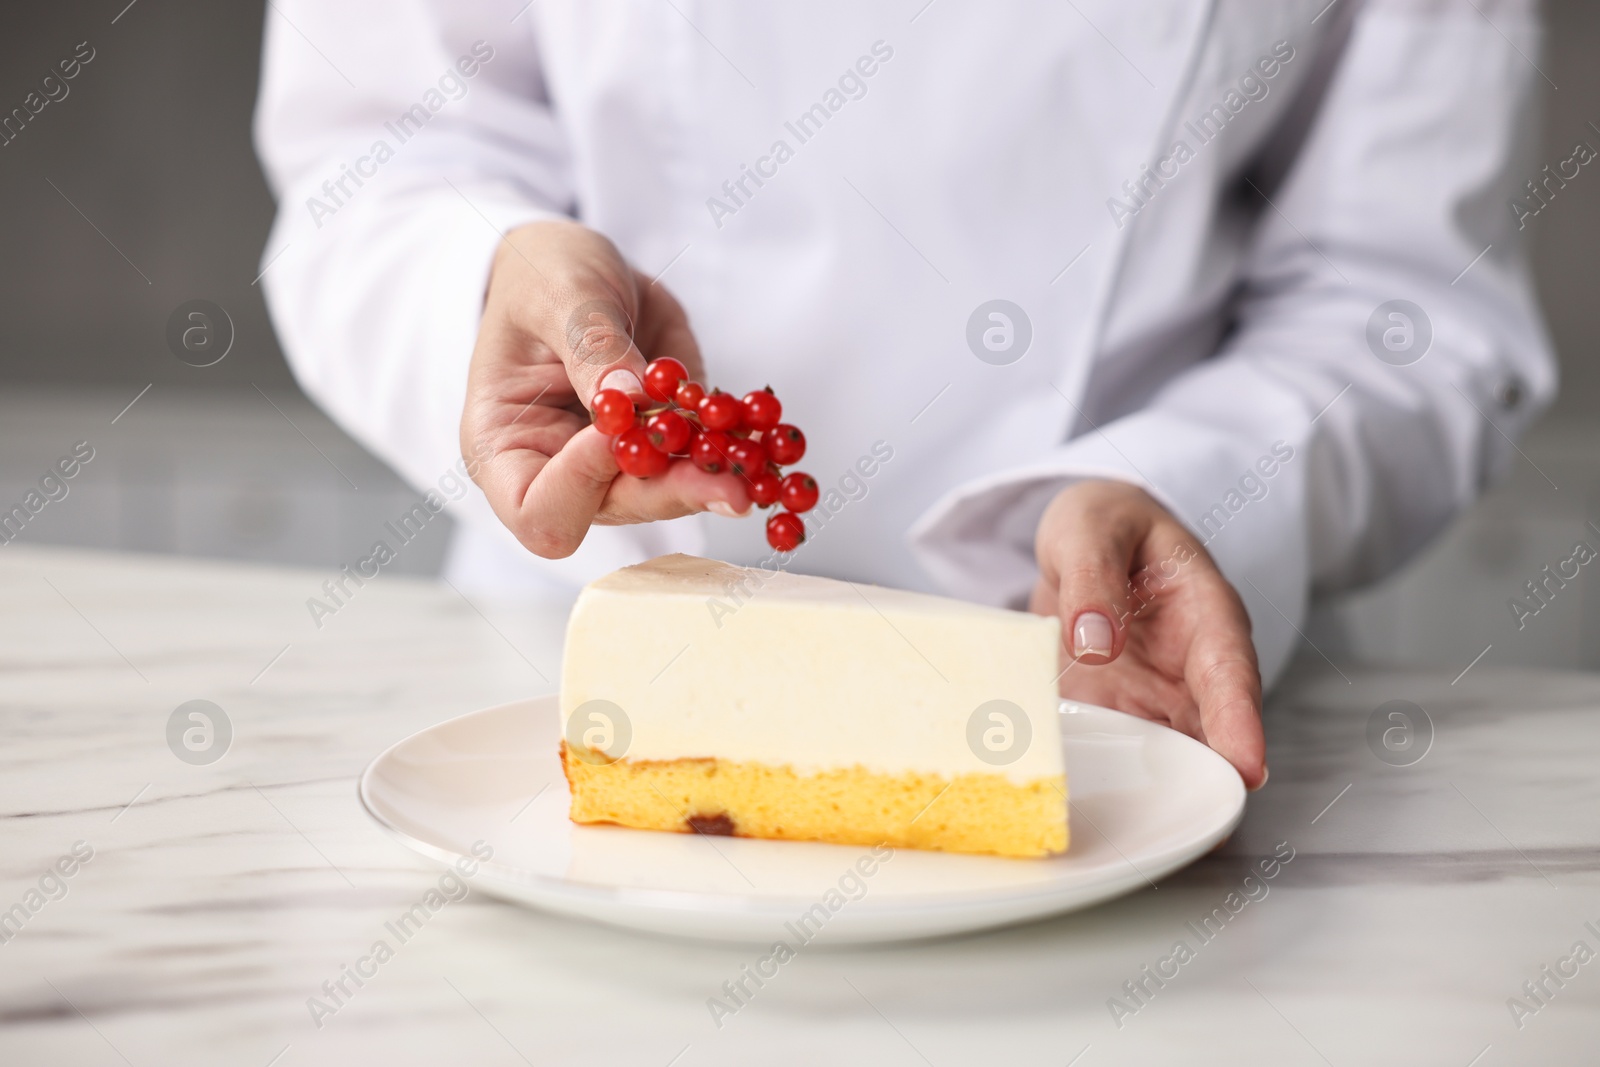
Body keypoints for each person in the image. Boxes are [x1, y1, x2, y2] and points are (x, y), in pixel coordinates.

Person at [255, 0, 1554, 791]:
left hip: (1122, 713)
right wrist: (482, 285)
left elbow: (1406, 297)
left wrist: (1201, 482)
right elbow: (377, 156)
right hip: (581, 677)